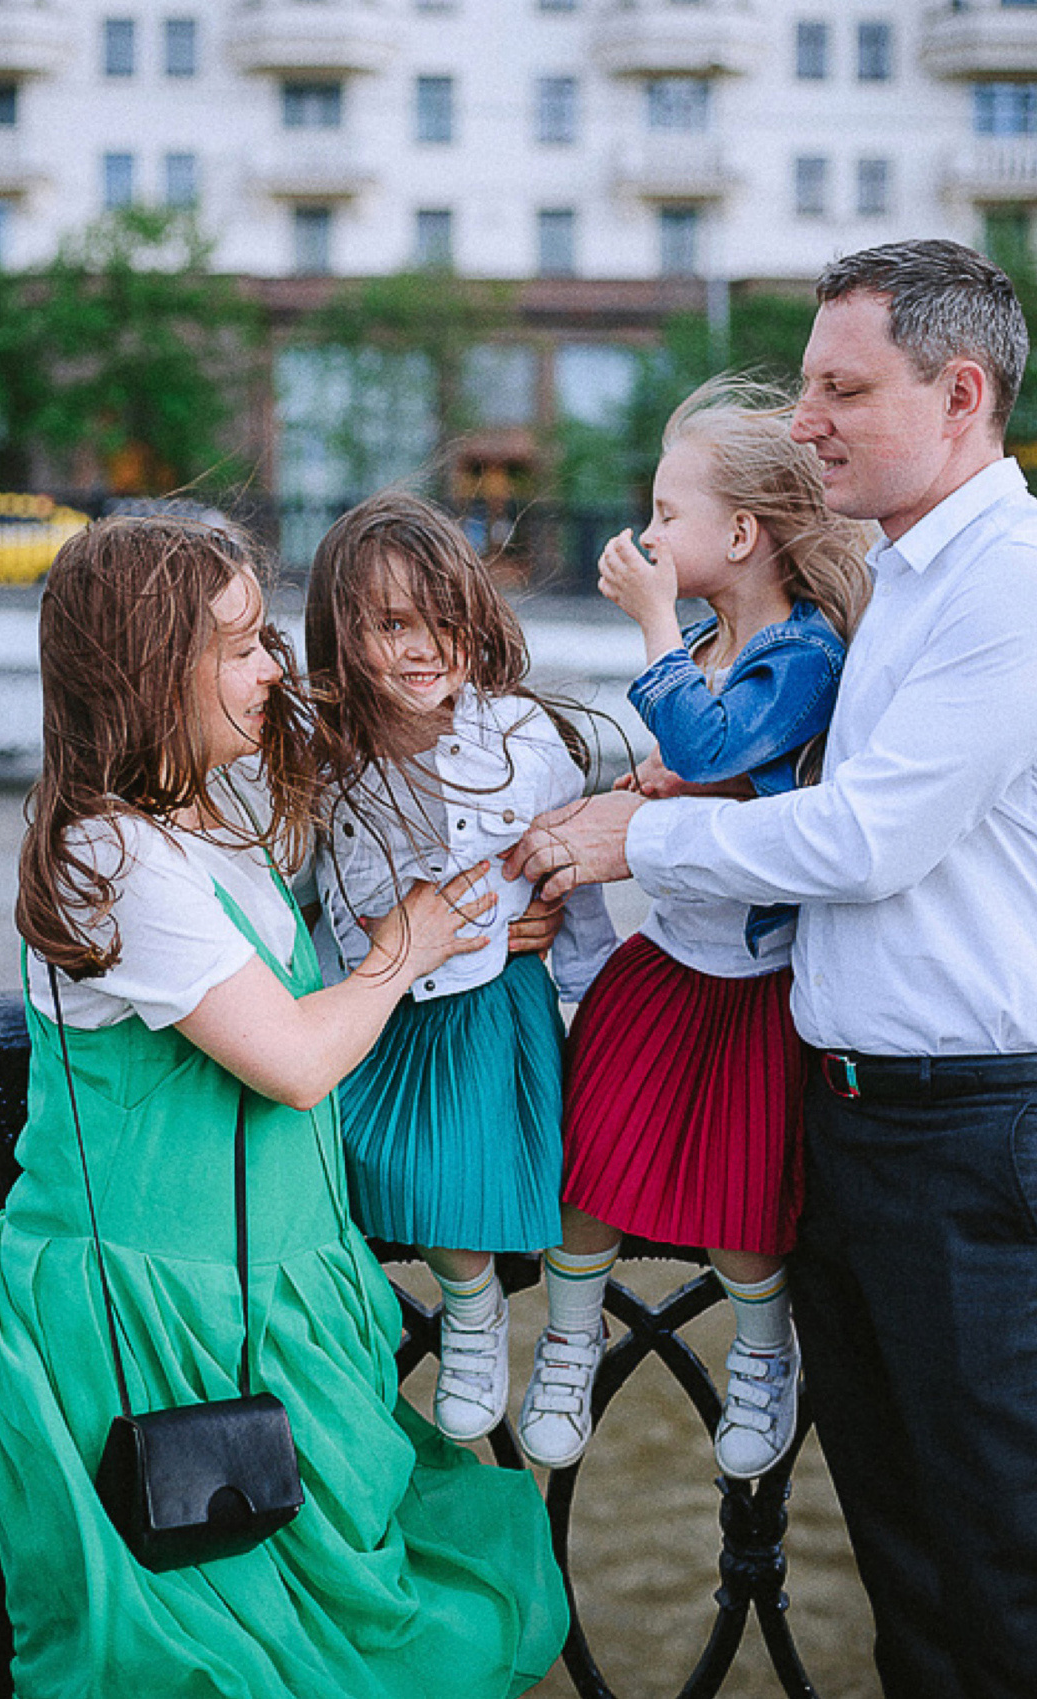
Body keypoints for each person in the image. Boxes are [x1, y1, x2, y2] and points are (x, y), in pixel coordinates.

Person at [505, 238, 1037, 1699]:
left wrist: (637, 842)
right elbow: (798, 789)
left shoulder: (1008, 582)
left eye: (841, 387)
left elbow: (867, 838)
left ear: (962, 391)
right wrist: (688, 811)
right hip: (858, 1116)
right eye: (808, 383)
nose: (805, 420)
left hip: (967, 1131)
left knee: (993, 1560)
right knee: (906, 1550)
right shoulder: (902, 578)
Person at [0, 517, 568, 1698]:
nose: (275, 669)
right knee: (212, 1654)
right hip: (152, 1323)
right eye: (242, 648)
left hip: (259, 1300)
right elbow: (293, 1057)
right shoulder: (116, 855)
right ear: (155, 671)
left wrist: (492, 924)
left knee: (334, 1629)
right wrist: (408, 950)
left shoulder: (213, 820)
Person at [519, 378, 872, 1481]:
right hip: (667, 961)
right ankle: (569, 1345)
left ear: (739, 530)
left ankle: (760, 1360)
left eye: (668, 515)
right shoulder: (724, 638)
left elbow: (722, 745)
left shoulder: (803, 653)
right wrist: (659, 780)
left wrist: (649, 620)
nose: (650, 533)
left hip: (758, 982)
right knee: (591, 1164)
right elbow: (711, 762)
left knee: (747, 1199)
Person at [303, 493, 616, 1444]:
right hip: (389, 1011)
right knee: (379, 1158)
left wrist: (589, 981)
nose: (425, 647)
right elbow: (311, 912)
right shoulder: (327, 768)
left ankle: (568, 1336)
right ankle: (470, 1310)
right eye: (393, 624)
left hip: (498, 1008)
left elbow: (578, 878)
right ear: (341, 635)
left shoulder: (521, 741)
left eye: (447, 620)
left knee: (534, 1153)